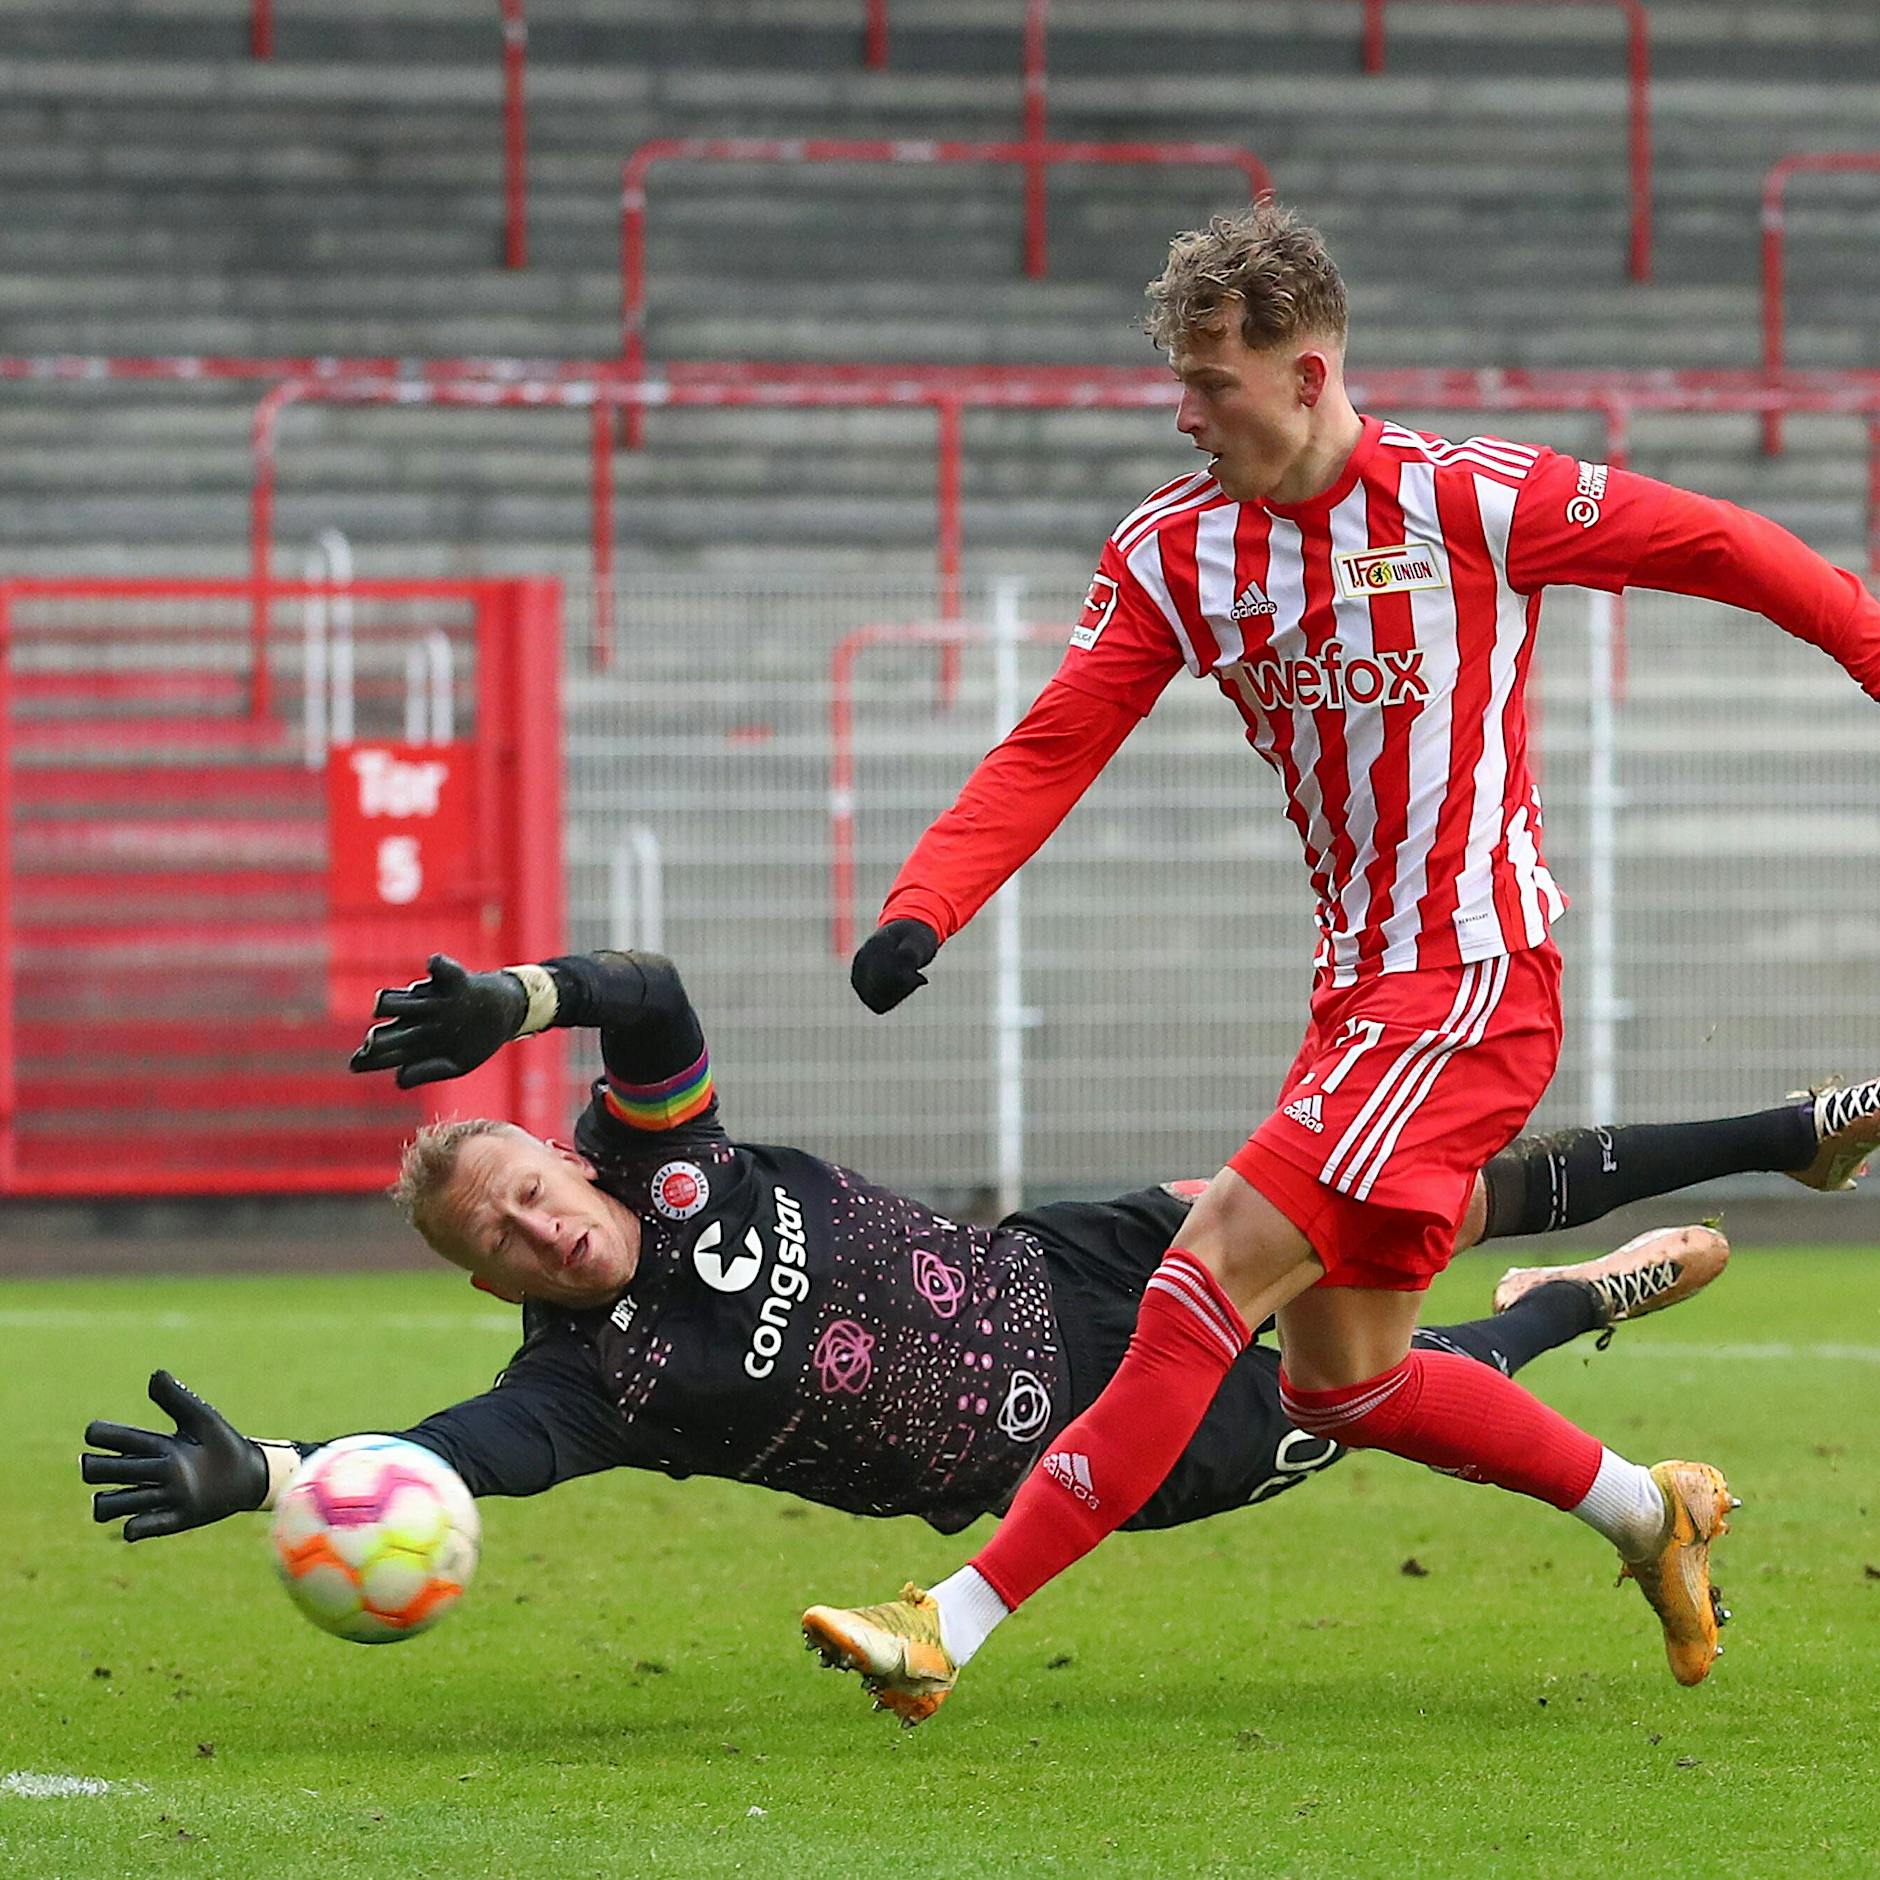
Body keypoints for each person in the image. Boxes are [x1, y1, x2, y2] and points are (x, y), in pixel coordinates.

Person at [816, 202, 1880, 1715]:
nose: (1189, 414)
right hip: (1359, 996)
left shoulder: (1471, 499)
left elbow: (1720, 543)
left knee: (1211, 1270)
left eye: (1217, 383)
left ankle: (952, 1620)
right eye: (1179, 384)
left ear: (1311, 373)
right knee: (1346, 1380)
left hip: (1472, 978)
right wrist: (927, 905)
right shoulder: (1176, 548)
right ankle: (1654, 1511)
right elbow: (1059, 737)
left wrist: (1871, 652)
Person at [81, 952, 1874, 1675]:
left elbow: (646, 993)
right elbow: (461, 1455)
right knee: (1382, 1385)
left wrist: (512, 993)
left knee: (1424, 1191)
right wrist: (276, 1476)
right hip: (1084, 1456)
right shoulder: (600, 1388)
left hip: (1075, 1263)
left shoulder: (666, 1161)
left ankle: (1786, 1138)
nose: (547, 1229)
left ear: (565, 1167)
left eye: (534, 1188)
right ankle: (1570, 1312)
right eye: (509, 1238)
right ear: (491, 1281)